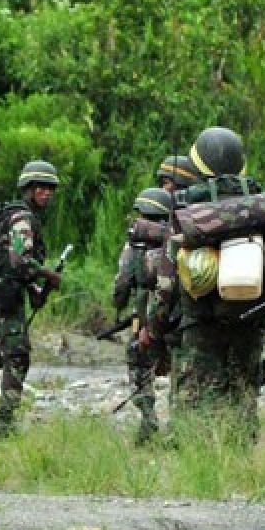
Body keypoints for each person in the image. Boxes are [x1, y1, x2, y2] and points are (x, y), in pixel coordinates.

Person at [144, 127, 265, 438]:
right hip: (250, 317)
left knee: (194, 399)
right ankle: (240, 457)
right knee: (244, 391)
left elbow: (166, 283)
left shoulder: (188, 209)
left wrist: (153, 329)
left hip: (199, 320)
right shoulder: (261, 206)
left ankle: (197, 459)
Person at [0, 160, 63, 436]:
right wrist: (48, 275)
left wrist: (35, 292)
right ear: (28, 189)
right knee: (17, 357)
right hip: (4, 298)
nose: (47, 193)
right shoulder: (22, 219)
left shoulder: (12, 216)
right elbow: (19, 261)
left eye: (50, 189)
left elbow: (11, 264)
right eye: (41, 188)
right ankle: (5, 422)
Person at [113, 186, 173, 442]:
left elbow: (121, 286)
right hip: (173, 319)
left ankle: (148, 418)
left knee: (139, 365)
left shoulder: (132, 249)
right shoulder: (175, 244)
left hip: (143, 321)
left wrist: (118, 304)